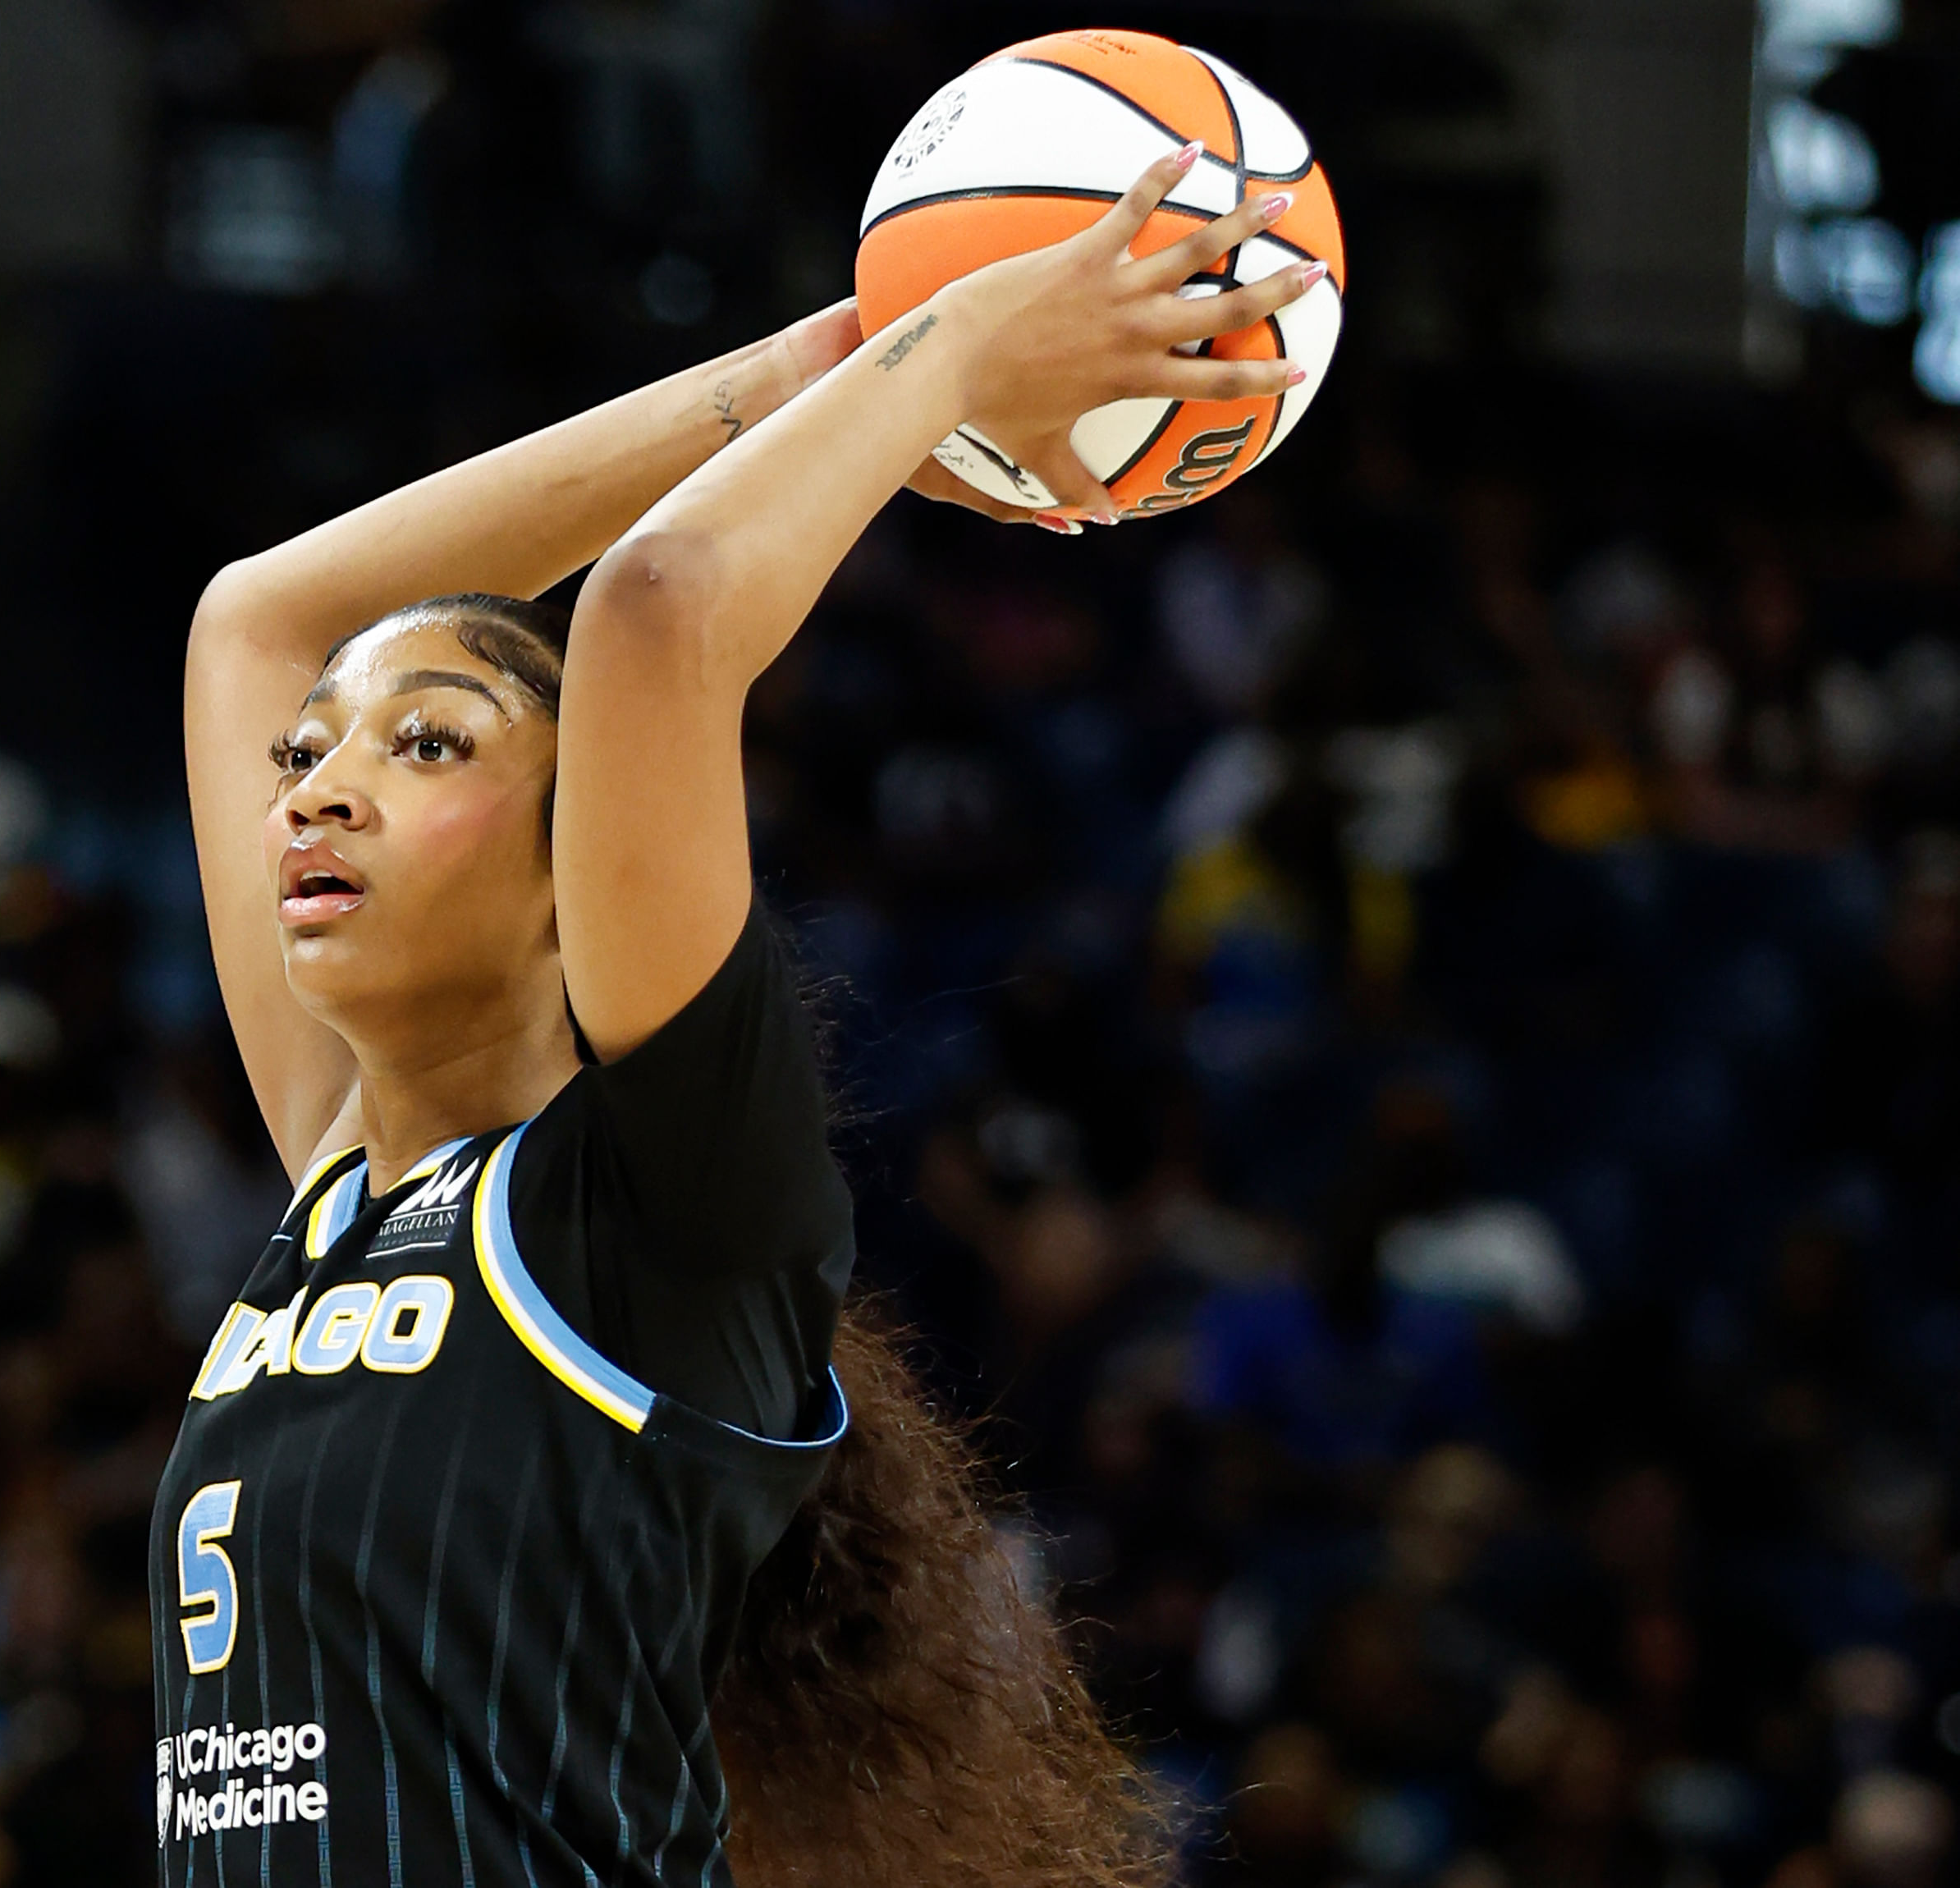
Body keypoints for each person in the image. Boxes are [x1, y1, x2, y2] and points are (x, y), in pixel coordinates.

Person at [159, 144, 1322, 1888]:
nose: (317, 790)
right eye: (311, 754)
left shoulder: (652, 1215)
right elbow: (263, 616)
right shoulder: (345, 1184)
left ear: (579, 872)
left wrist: (949, 352)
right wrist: (816, 361)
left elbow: (659, 611)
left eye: (427, 746)